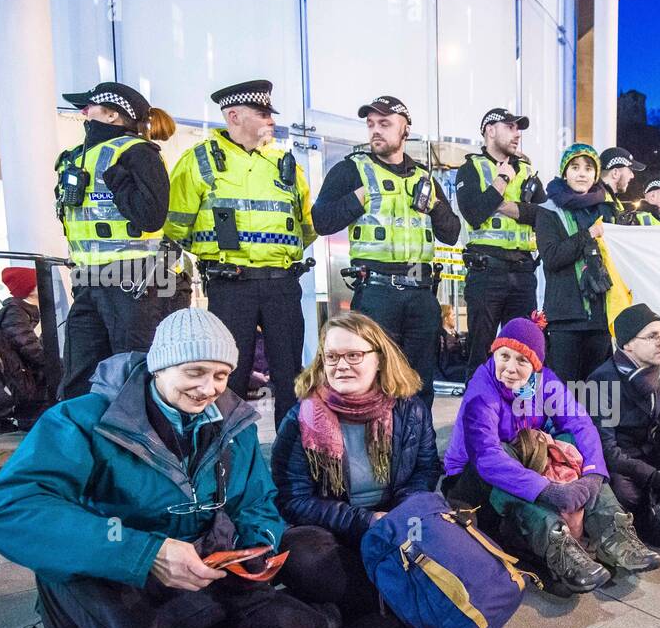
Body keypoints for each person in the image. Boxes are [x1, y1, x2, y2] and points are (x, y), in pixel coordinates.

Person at [0, 308, 339, 628]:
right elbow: (7, 510)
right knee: (80, 559)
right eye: (195, 372)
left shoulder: (236, 426)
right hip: (109, 594)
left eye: (221, 375)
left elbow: (256, 503)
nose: (209, 388)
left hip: (198, 580)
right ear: (159, 364)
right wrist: (145, 553)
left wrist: (258, 546)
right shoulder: (81, 420)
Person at [443, 317, 660, 593]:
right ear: (493, 354)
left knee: (571, 440)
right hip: (473, 477)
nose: (510, 368)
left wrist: (593, 475)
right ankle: (557, 543)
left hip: (525, 458)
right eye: (504, 356)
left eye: (522, 361)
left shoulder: (544, 381)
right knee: (506, 452)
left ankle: (613, 529)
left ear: (536, 366)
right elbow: (487, 457)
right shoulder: (481, 390)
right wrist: (549, 491)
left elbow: (580, 422)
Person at [271, 312, 440, 628]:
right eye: (331, 356)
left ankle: (366, 598)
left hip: (396, 519)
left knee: (458, 519)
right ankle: (396, 593)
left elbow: (426, 470)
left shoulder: (411, 409)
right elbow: (293, 499)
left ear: (379, 359)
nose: (341, 365)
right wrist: (364, 521)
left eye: (354, 355)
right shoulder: (300, 418)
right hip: (336, 532)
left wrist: (398, 515)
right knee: (299, 554)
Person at [165, 79, 315, 422]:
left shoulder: (286, 164)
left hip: (282, 285)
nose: (271, 121)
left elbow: (307, 227)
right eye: (262, 113)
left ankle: (291, 458)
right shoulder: (198, 162)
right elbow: (176, 227)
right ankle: (225, 455)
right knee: (226, 374)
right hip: (231, 286)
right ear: (234, 116)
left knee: (292, 377)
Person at [311, 95, 462, 408]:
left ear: (405, 129)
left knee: (421, 385)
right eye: (370, 124)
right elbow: (322, 221)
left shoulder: (424, 177)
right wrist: (360, 196)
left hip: (421, 295)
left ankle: (422, 454)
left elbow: (451, 233)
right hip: (376, 294)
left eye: (384, 123)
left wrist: (433, 205)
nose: (375, 130)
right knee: (375, 384)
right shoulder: (352, 170)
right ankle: (379, 454)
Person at [56, 81, 184, 399]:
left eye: (91, 106)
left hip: (132, 282)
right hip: (87, 279)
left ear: (113, 115)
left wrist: (118, 180)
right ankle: (85, 445)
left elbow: (151, 216)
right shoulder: (74, 157)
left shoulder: (138, 153)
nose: (84, 112)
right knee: (79, 376)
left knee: (134, 373)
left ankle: (140, 445)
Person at [585, 303, 660, 524]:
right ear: (628, 344)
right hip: (626, 464)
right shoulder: (601, 381)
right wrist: (656, 478)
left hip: (659, 455)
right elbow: (608, 451)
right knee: (627, 496)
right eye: (652, 336)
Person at [455, 108, 546, 380]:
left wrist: (501, 204)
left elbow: (543, 216)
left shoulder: (528, 171)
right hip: (486, 273)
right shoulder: (470, 168)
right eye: (510, 127)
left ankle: (518, 416)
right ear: (490, 130)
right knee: (480, 349)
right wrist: (502, 180)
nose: (517, 134)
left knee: (523, 350)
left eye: (519, 128)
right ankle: (476, 413)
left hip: (522, 273)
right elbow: (473, 212)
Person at [536, 143, 617, 382]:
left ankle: (593, 423)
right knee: (563, 393)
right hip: (565, 320)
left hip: (601, 318)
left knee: (598, 396)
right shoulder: (548, 210)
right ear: (565, 172)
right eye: (575, 167)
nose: (582, 173)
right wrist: (588, 234)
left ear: (595, 174)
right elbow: (552, 257)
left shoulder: (608, 210)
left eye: (588, 168)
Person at [0, 267, 51, 431]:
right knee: (51, 370)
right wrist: (52, 362)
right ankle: (32, 418)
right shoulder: (15, 312)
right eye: (37, 283)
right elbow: (27, 345)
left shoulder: (22, 310)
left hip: (19, 368)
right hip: (18, 371)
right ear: (29, 289)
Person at [598, 146, 645, 219]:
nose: (632, 176)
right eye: (630, 170)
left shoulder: (613, 200)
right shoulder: (597, 200)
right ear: (615, 173)